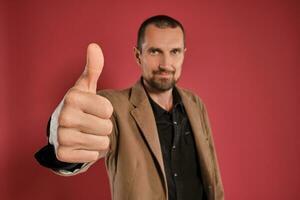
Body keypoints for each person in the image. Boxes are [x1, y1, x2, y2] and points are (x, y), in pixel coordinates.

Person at [35, 15, 224, 200]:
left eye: (174, 51)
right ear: (138, 55)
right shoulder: (113, 106)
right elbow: (87, 132)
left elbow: (212, 174)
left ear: (184, 53)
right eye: (154, 51)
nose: (166, 64)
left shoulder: (195, 103)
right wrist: (58, 134)